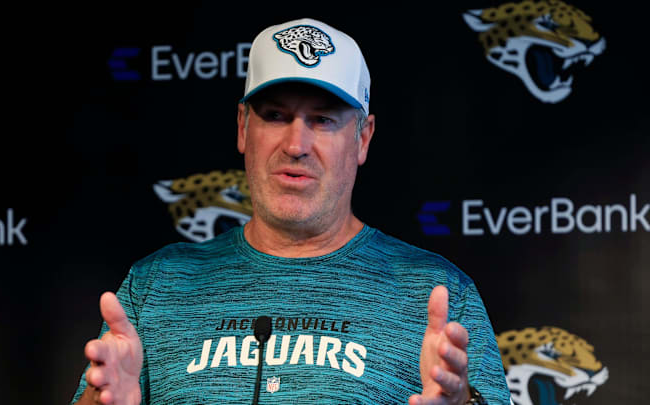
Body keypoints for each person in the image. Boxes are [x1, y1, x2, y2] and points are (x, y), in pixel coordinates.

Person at [71, 18, 511, 405]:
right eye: (276, 116)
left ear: (362, 138)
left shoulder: (438, 293)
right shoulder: (156, 285)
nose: (296, 146)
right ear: (244, 128)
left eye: (323, 120)